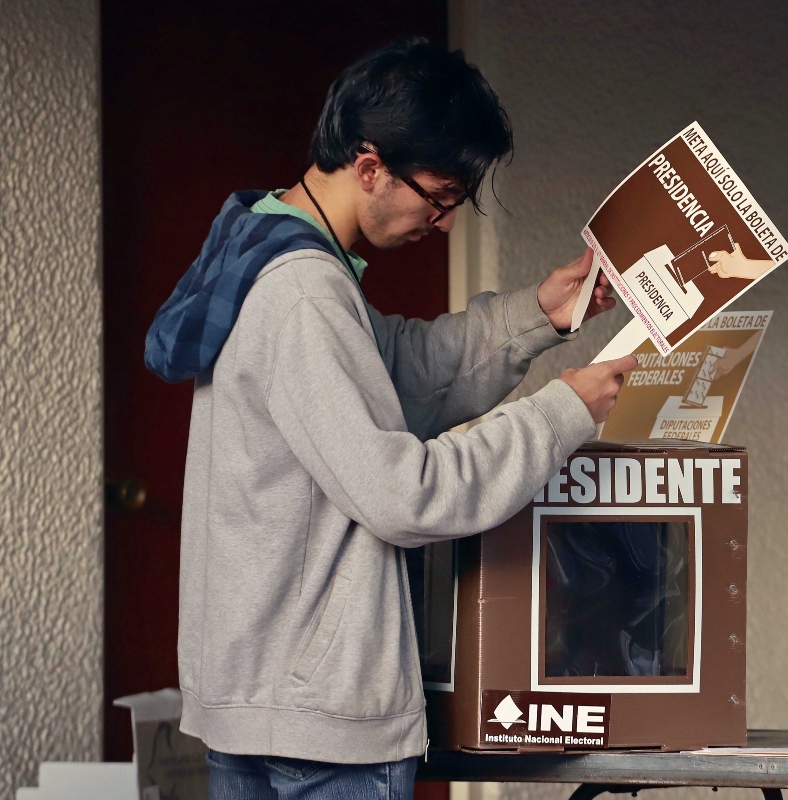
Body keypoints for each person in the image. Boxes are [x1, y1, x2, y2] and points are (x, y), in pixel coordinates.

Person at [143, 38, 636, 800]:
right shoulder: (304, 293)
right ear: (369, 166)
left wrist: (540, 314)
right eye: (439, 195)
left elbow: (399, 370)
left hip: (266, 704)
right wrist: (563, 412)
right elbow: (406, 494)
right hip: (319, 724)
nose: (441, 223)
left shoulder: (269, 255)